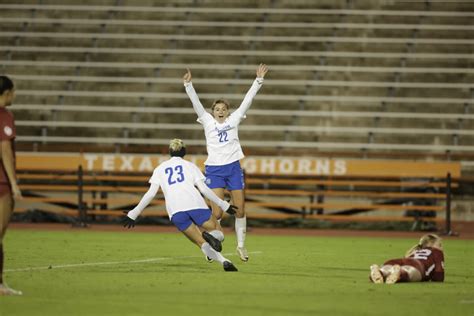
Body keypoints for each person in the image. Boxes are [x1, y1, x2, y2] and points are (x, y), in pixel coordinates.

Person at [183, 63, 268, 262]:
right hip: (214, 170)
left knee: (240, 209)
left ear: (228, 112)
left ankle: (240, 246)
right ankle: (212, 245)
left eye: (223, 109)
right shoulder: (207, 121)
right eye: (217, 109)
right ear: (212, 112)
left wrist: (258, 80)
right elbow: (196, 103)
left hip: (233, 168)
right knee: (217, 212)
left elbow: (248, 100)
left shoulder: (234, 120)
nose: (220, 111)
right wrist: (189, 85)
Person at [123, 139, 239, 272]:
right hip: (195, 205)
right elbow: (204, 189)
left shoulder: (160, 169)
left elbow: (150, 194)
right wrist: (223, 204)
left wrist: (134, 213)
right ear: (184, 152)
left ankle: (224, 261)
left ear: (170, 152)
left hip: (176, 211)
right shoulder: (190, 166)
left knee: (201, 243)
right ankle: (214, 237)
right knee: (218, 231)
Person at [0, 76, 22, 295]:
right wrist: (14, 183)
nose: (14, 95)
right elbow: (5, 149)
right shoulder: (4, 116)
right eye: (13, 91)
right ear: (6, 92)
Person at [369, 233, 445, 284]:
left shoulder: (415, 251)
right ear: (430, 244)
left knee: (388, 271)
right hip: (417, 265)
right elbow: (439, 275)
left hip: (401, 260)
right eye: (439, 245)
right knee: (409, 273)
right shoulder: (437, 252)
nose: (441, 248)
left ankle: (380, 271)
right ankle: (400, 272)